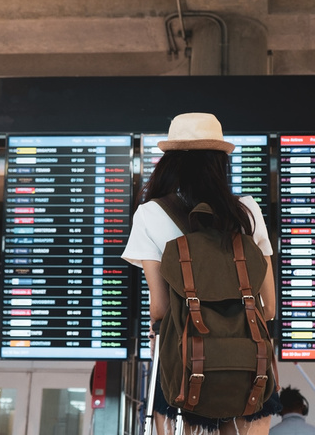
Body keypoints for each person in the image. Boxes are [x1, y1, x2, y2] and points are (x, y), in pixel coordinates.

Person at [122, 112, 280, 435]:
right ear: (220, 162)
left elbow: (161, 310)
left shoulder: (150, 214)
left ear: (170, 162)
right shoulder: (248, 212)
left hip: (184, 373)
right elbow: (270, 307)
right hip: (250, 374)